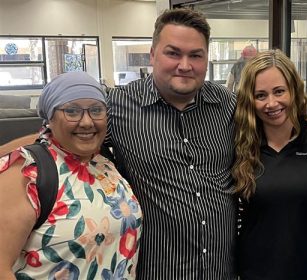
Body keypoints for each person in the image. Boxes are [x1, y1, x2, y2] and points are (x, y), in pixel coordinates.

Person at [105, 8, 237, 279]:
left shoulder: (227, 105)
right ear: (153, 55)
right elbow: (61, 143)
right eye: (173, 53)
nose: (185, 65)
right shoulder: (117, 106)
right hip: (158, 270)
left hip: (221, 270)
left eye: (196, 55)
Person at [0, 71, 142, 279]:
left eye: (96, 110)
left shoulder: (104, 162)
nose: (86, 122)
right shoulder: (27, 173)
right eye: (72, 111)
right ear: (50, 117)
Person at [233, 49, 307, 279]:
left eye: (279, 91)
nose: (271, 103)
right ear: (250, 99)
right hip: (255, 271)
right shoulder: (240, 145)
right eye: (260, 95)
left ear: (294, 90)